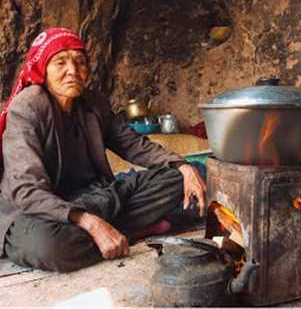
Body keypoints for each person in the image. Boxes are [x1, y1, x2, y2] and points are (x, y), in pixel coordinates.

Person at [0, 28, 207, 272]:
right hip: (39, 211)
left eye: (80, 62)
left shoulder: (93, 102)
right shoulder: (28, 106)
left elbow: (134, 145)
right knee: (52, 248)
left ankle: (112, 229)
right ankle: (130, 230)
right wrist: (89, 222)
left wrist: (183, 166)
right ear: (42, 70)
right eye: (60, 63)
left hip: (95, 196)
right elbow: (27, 189)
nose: (73, 72)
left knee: (178, 178)